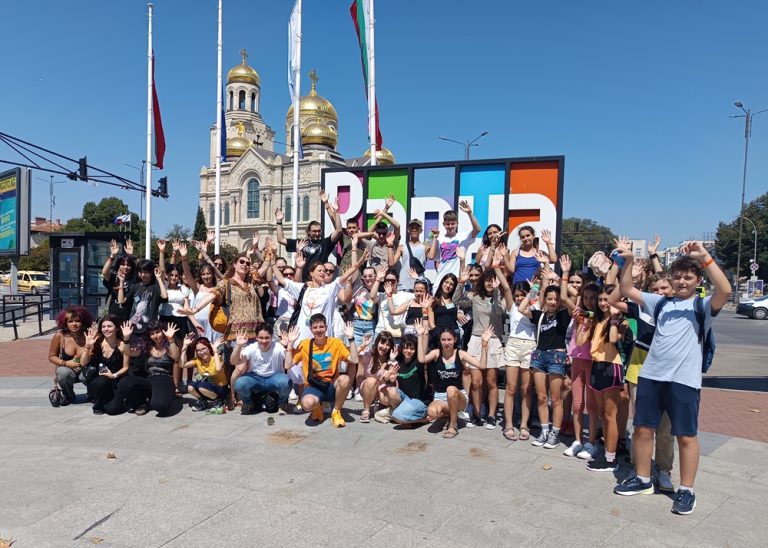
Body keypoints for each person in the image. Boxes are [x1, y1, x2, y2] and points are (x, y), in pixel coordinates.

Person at [613, 241, 730, 516]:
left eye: (688, 277)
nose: (681, 281)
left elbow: (725, 290)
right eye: (677, 277)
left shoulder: (702, 306)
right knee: (642, 429)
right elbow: (627, 289)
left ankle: (687, 490)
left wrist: (705, 257)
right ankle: (643, 479)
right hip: (651, 376)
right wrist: (627, 262)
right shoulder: (661, 302)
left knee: (685, 435)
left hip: (684, 381)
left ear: (697, 280)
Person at [608, 270, 676, 492]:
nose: (659, 292)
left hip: (670, 374)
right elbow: (613, 300)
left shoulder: (679, 310)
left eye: (664, 288)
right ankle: (639, 468)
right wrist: (628, 275)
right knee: (641, 426)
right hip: (641, 372)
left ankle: (664, 470)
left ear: (672, 289)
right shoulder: (641, 308)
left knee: (665, 429)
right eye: (654, 289)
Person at [519, 271, 573, 449]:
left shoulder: (564, 315)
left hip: (556, 356)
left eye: (556, 299)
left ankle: (554, 434)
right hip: (539, 356)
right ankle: (544, 431)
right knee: (542, 397)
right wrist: (534, 290)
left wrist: (562, 277)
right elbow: (521, 309)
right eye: (549, 299)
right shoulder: (539, 315)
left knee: (555, 398)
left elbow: (569, 300)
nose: (553, 302)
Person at [415, 319, 492, 439]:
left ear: (455, 340)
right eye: (443, 340)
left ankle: (453, 425)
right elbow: (421, 359)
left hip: (458, 395)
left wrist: (484, 344)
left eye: (449, 339)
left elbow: (481, 365)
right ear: (440, 341)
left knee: (451, 389)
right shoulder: (436, 353)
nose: (446, 343)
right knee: (432, 413)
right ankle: (447, 415)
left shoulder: (460, 354)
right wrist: (420, 336)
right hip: (440, 396)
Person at [285, 315, 359, 428]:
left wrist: (351, 338)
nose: (318, 330)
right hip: (313, 386)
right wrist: (290, 343)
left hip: (331, 385)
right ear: (311, 329)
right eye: (315, 327)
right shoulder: (305, 344)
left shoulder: (336, 343)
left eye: (321, 327)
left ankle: (336, 411)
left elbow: (354, 360)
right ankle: (317, 407)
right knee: (307, 404)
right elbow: (287, 365)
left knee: (345, 379)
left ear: (326, 327)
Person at [465, 254, 511, 430]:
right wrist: (461, 283)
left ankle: (491, 416)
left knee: (492, 382)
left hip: (493, 340)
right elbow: (456, 301)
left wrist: (498, 291)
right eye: (487, 280)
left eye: (493, 280)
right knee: (476, 382)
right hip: (476, 339)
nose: (490, 283)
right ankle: (476, 414)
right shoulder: (476, 297)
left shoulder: (501, 298)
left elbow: (499, 312)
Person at [274, 190, 343, 281]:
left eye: (319, 231)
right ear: (309, 232)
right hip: (304, 281)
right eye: (314, 231)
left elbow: (338, 230)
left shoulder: (325, 243)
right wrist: (279, 222)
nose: (317, 233)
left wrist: (332, 208)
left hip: (320, 281)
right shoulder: (301, 243)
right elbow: (281, 239)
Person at [117, 320, 181, 416]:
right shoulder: (147, 347)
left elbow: (176, 357)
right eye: (152, 333)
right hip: (150, 378)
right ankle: (142, 403)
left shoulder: (169, 346)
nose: (155, 336)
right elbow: (129, 353)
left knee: (160, 406)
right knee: (124, 383)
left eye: (158, 332)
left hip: (165, 379)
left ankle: (161, 397)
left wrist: (170, 339)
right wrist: (126, 338)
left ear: (163, 332)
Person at [232, 324, 292, 415]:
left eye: (267, 338)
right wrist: (238, 346)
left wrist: (290, 344)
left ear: (271, 337)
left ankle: (282, 403)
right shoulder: (252, 347)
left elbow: (288, 365)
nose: (264, 341)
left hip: (274, 377)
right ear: (256, 337)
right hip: (256, 378)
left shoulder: (278, 347)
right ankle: (248, 403)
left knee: (286, 382)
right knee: (239, 384)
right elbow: (234, 361)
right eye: (261, 338)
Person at [502, 281, 535, 441]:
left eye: (522, 295)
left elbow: (541, 291)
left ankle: (524, 425)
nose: (519, 298)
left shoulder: (534, 307)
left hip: (530, 346)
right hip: (513, 344)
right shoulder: (512, 307)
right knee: (511, 387)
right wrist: (497, 268)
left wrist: (535, 288)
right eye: (517, 295)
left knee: (526, 389)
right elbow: (505, 287)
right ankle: (508, 425)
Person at [48, 306, 95, 405]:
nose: (74, 324)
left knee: (92, 371)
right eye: (70, 321)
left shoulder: (89, 335)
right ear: (65, 323)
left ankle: (92, 393)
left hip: (86, 369)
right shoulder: (60, 336)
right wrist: (66, 363)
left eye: (77, 321)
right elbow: (51, 356)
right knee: (62, 372)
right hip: (68, 369)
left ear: (83, 322)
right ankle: (69, 396)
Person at [381, 334, 431, 425]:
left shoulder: (419, 361)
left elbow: (424, 346)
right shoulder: (397, 361)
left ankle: (422, 420)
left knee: (396, 416)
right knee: (391, 390)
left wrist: (421, 334)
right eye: (405, 348)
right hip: (405, 399)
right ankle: (404, 417)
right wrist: (392, 380)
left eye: (412, 349)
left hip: (418, 400)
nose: (408, 351)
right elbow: (384, 379)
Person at [426, 203, 481, 286]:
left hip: (457, 280)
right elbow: (431, 257)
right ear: (443, 224)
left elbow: (477, 230)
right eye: (447, 224)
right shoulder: (440, 239)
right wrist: (434, 238)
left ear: (457, 223)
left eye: (453, 223)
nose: (450, 226)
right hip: (440, 280)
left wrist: (470, 213)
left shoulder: (463, 237)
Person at [86, 316, 130, 415]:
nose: (106, 329)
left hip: (115, 379)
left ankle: (111, 399)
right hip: (98, 380)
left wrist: (113, 375)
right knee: (102, 381)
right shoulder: (97, 342)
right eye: (103, 326)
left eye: (109, 326)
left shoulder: (123, 344)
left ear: (117, 328)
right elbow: (83, 362)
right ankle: (97, 405)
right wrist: (88, 347)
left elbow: (126, 367)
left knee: (112, 410)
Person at [180, 334, 227, 411]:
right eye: (198, 350)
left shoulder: (217, 358)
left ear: (209, 348)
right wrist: (184, 347)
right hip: (205, 388)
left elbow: (218, 369)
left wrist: (215, 352)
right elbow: (182, 365)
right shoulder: (197, 360)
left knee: (201, 386)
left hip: (220, 389)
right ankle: (203, 402)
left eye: (204, 349)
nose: (201, 352)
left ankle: (219, 402)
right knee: (190, 387)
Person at [357, 331, 396, 423]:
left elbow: (392, 380)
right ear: (377, 342)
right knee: (371, 380)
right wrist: (362, 346)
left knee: (389, 391)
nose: (384, 347)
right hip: (367, 387)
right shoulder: (368, 355)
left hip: (383, 389)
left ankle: (384, 408)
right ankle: (366, 410)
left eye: (387, 345)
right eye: (382, 343)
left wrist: (392, 360)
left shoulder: (392, 358)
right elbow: (351, 357)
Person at [102, 239, 136, 322]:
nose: (125, 267)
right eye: (123, 264)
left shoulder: (134, 279)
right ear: (118, 265)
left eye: (128, 265)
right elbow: (104, 272)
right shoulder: (114, 278)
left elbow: (142, 269)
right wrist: (112, 256)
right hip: (112, 316)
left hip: (130, 317)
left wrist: (131, 256)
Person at [129, 260, 168, 333]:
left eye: (146, 272)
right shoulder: (135, 286)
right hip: (134, 328)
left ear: (151, 272)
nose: (143, 275)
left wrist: (159, 279)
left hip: (151, 328)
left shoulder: (155, 286)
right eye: (140, 272)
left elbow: (165, 297)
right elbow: (124, 302)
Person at [392, 219, 427, 292]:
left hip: (419, 284)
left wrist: (434, 238)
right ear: (408, 230)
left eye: (417, 228)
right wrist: (389, 245)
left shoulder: (425, 247)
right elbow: (392, 263)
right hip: (404, 284)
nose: (414, 230)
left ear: (421, 230)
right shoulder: (402, 247)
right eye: (412, 228)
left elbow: (432, 256)